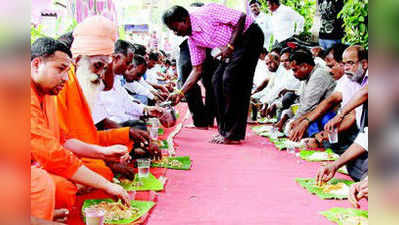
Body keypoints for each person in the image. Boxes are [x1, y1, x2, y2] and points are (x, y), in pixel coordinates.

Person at [31, 37, 130, 213]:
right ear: (36, 64)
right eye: (60, 69)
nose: (65, 78)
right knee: (58, 188)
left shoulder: (47, 92)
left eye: (67, 71)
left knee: (70, 183)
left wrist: (103, 152)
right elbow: (52, 154)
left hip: (46, 161)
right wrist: (106, 186)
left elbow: (61, 139)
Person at [56, 16, 159, 181]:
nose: (101, 74)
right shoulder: (61, 86)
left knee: (119, 149)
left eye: (105, 67)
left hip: (80, 148)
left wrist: (127, 135)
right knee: (100, 173)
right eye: (98, 66)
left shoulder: (84, 82)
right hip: (58, 157)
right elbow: (60, 144)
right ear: (77, 60)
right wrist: (106, 160)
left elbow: (87, 135)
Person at [163, 4, 264, 144]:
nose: (175, 33)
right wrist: (180, 93)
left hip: (249, 35)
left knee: (231, 79)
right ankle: (224, 131)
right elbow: (197, 69)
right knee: (216, 81)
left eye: (175, 28)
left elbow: (241, 17)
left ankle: (233, 135)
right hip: (233, 47)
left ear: (185, 20)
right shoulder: (193, 40)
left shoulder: (207, 12)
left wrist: (230, 46)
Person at [288, 43, 351, 142]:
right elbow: (326, 103)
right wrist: (301, 121)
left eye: (331, 66)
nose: (329, 71)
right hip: (334, 118)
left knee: (321, 117)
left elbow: (328, 104)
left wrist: (324, 134)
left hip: (338, 122)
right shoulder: (343, 80)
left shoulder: (320, 74)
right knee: (311, 118)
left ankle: (321, 140)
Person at [275, 49, 336, 132]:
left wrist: (293, 122)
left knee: (295, 126)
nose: (294, 74)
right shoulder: (306, 78)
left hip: (328, 115)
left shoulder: (319, 75)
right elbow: (299, 102)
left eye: (295, 70)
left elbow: (308, 106)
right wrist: (284, 118)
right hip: (314, 113)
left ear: (305, 66)